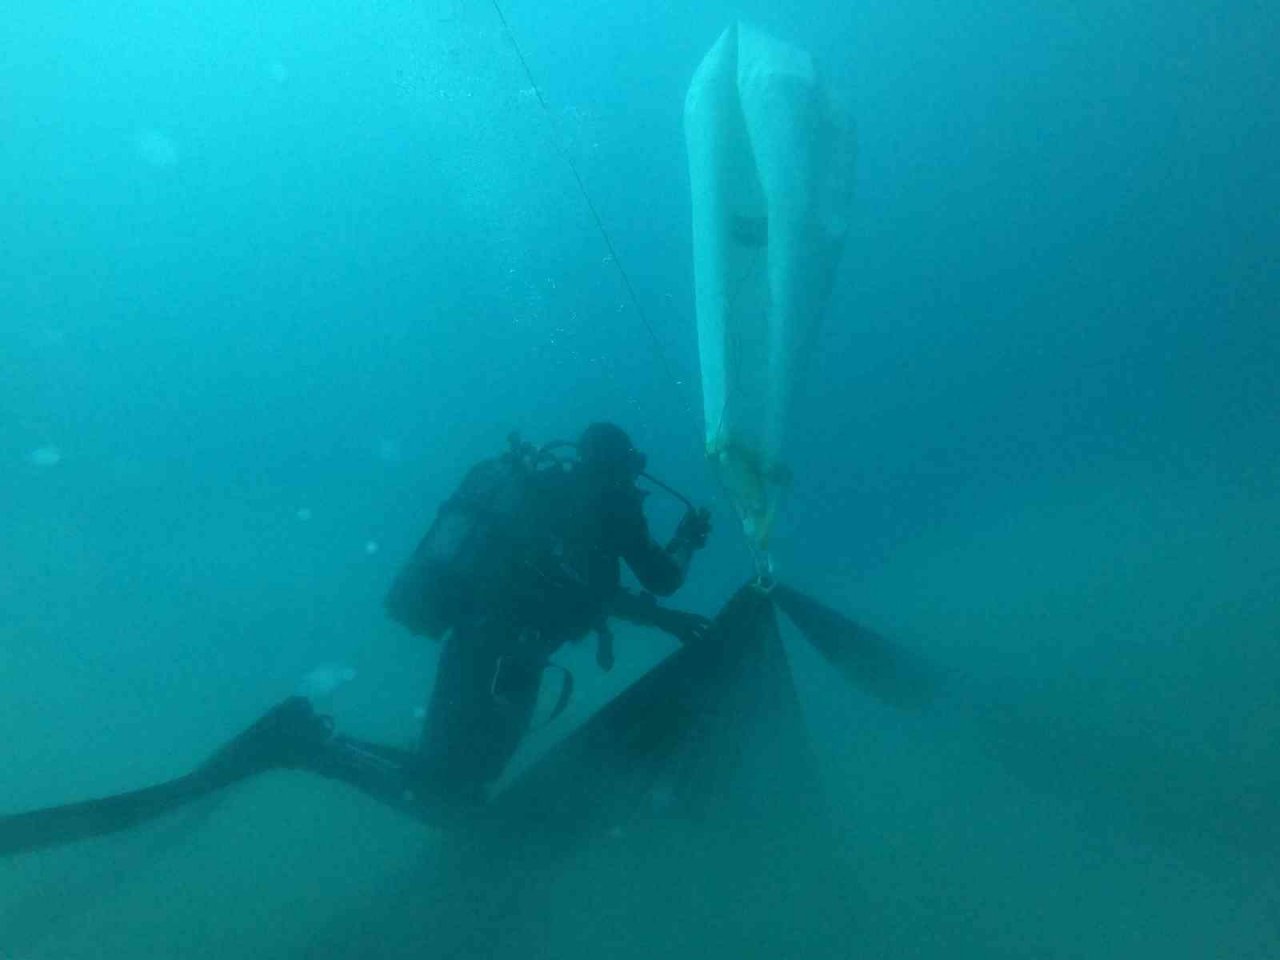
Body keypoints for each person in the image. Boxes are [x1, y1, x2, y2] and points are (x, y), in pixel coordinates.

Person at [220, 422, 714, 818]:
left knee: (438, 773)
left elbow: (587, 590)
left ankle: (307, 739)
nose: (633, 479)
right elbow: (658, 579)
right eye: (630, 469)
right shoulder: (610, 501)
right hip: (512, 658)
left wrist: (663, 620)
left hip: (473, 636)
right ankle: (303, 746)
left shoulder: (545, 493)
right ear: (619, 465)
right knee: (455, 794)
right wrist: (689, 537)